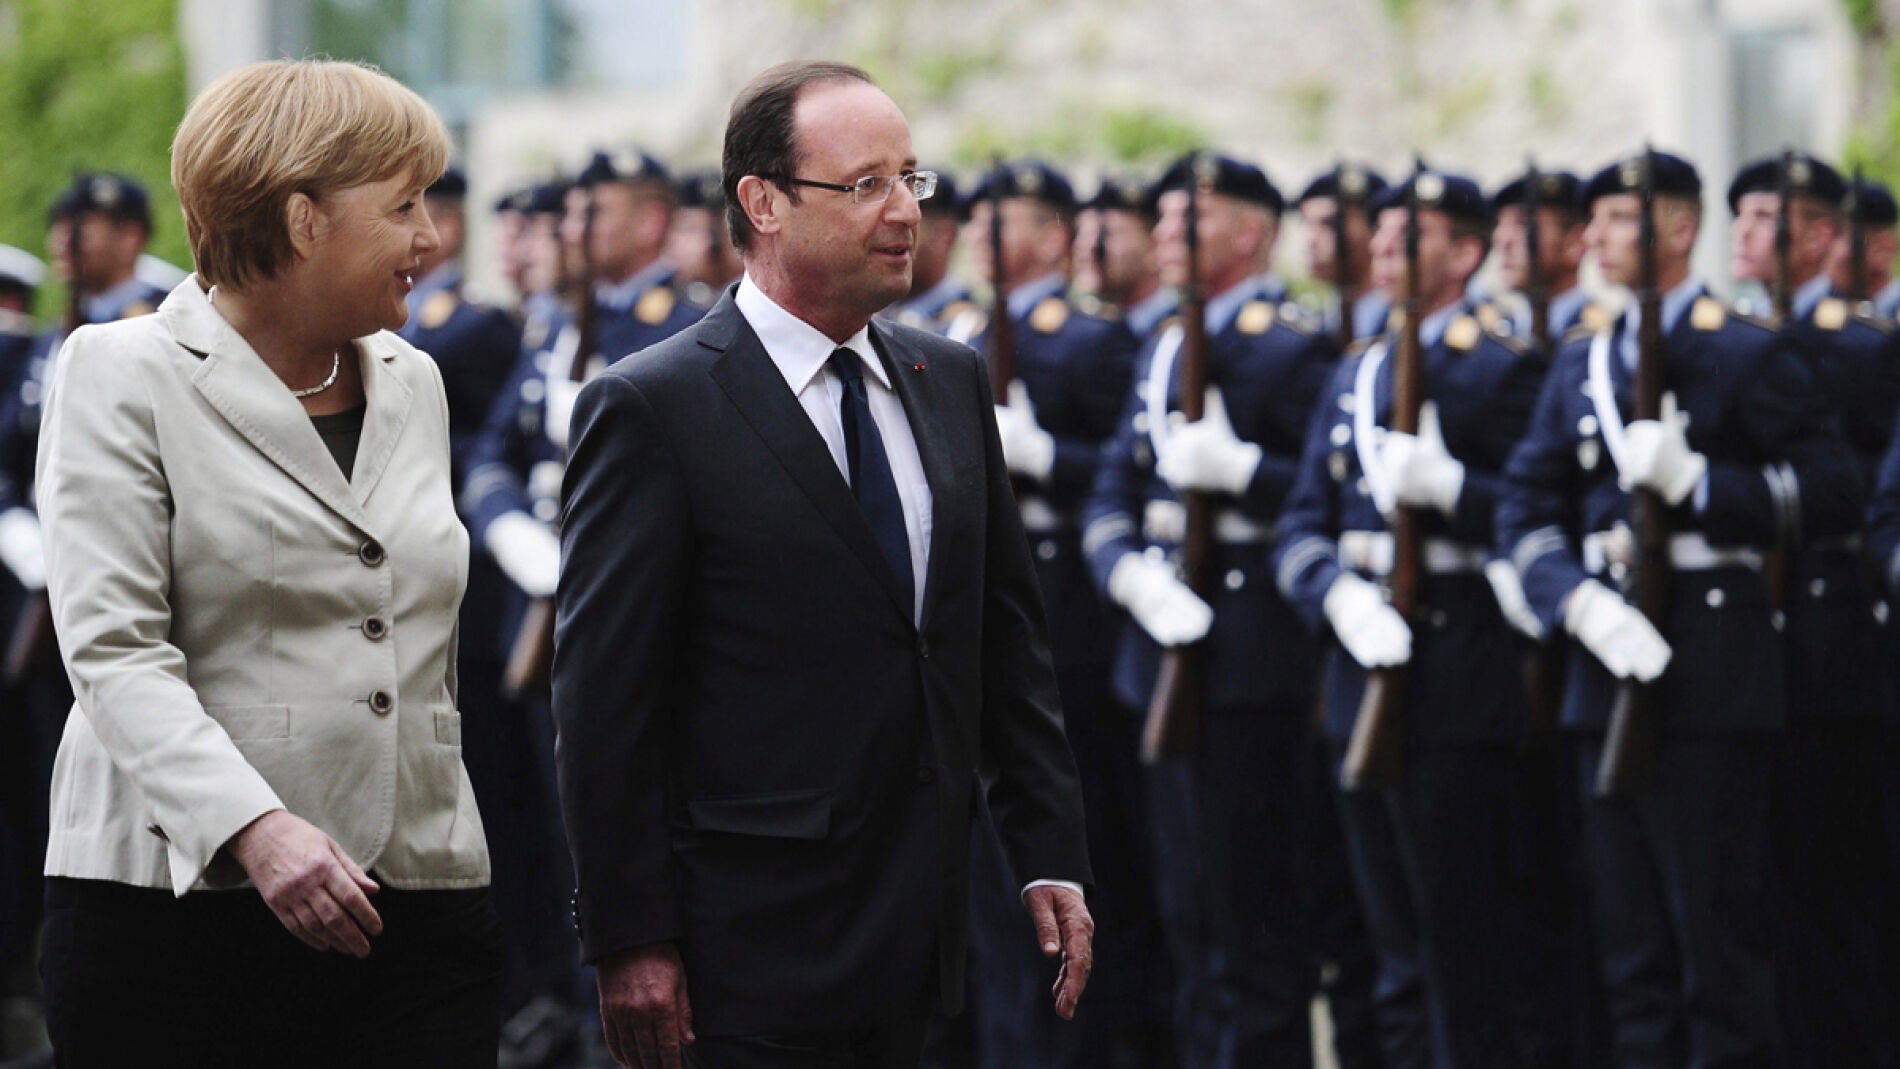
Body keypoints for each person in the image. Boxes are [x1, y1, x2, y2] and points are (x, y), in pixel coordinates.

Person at [552, 60, 1094, 1069]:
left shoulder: (947, 380)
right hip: (745, 952)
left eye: (911, 180)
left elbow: (1000, 639)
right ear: (761, 202)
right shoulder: (655, 406)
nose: (904, 214)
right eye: (865, 186)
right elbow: (605, 702)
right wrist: (628, 937)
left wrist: (1047, 850)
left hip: (927, 939)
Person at [33, 58, 498, 1068]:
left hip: (415, 908)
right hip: (178, 910)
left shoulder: (413, 379)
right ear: (302, 218)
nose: (432, 238)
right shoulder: (121, 372)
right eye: (404, 205)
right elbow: (113, 650)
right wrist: (258, 829)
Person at [1497, 149, 1857, 1067]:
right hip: (1602, 668)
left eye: (1622, 218)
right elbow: (1525, 506)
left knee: (1719, 948)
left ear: (1679, 228)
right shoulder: (1582, 362)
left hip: (1711, 670)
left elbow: (1831, 490)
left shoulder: (1739, 348)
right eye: (1599, 220)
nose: (1599, 239)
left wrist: (1704, 483)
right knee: (1630, 950)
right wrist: (1574, 604)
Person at [1276, 168, 1568, 1067]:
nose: (1391, 246)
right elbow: (1300, 521)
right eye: (1389, 233)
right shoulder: (1361, 366)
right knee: (1390, 939)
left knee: (1462, 937)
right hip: (1359, 665)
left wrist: (1453, 491)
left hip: (1457, 667)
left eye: (1417, 234)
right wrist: (1335, 594)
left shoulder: (1502, 362)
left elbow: (1538, 511)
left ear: (1469, 252)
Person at [1081, 151, 1336, 1068]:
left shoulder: (1289, 340)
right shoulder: (1161, 341)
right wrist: (1123, 572)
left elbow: (1325, 494)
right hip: (1158, 656)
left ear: (1253, 232)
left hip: (1248, 663)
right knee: (1184, 914)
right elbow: (1114, 482)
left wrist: (1243, 476)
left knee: (1251, 921)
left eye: (1193, 217)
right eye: (1164, 219)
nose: (1166, 235)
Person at [954, 159, 1143, 1069]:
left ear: (1059, 235)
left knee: (1061, 860)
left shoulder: (1090, 338)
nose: (988, 229)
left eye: (1013, 216)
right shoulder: (950, 330)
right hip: (963, 618)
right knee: (983, 893)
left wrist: (1046, 455)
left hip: (1057, 610)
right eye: (981, 213)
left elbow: (1121, 464)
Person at [1726, 152, 1900, 1066]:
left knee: (1837, 898)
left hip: (1833, 646)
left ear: (1825, 234)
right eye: (1743, 215)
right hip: (1737, 645)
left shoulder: (1866, 348)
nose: (1749, 233)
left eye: (1771, 216)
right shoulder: (1722, 339)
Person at [1490, 167, 1609, 344]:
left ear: (1575, 244)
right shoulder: (1500, 333)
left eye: (1522, 224)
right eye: (1499, 225)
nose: (1502, 239)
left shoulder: (1599, 339)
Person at [1295, 163, 1390, 344]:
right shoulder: (1317, 323)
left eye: (1329, 224)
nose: (1310, 240)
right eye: (1306, 224)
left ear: (1375, 229)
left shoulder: (1398, 324)